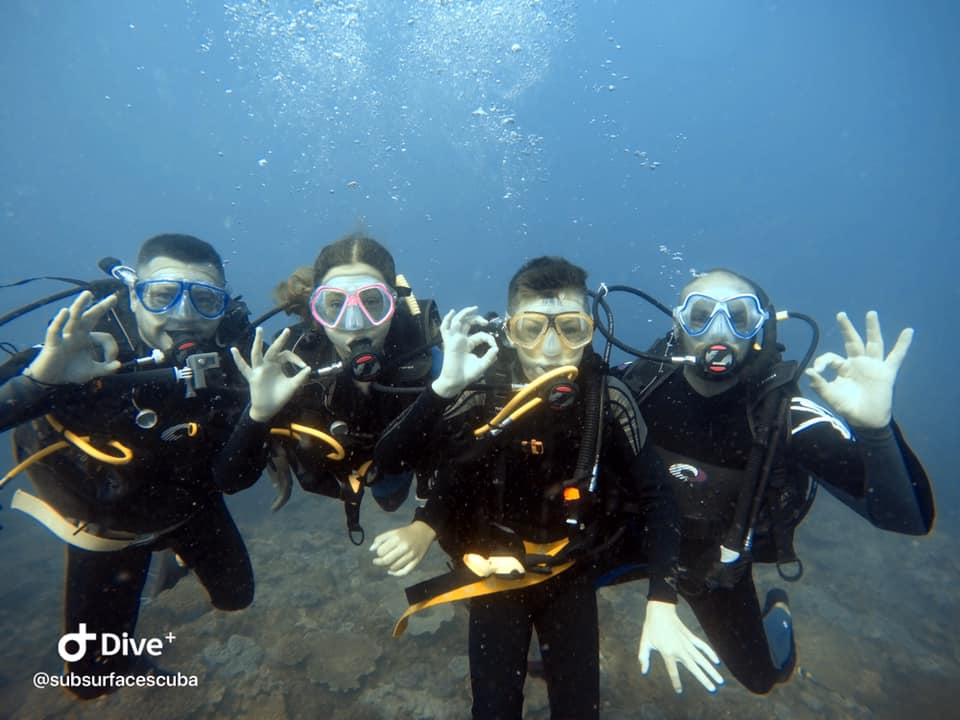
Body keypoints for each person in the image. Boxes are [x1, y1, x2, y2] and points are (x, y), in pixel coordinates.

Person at [372, 257, 723, 719]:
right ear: (510, 330)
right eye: (533, 329)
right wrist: (425, 522)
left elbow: (659, 500)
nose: (553, 349)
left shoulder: (608, 398)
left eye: (571, 329)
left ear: (591, 332)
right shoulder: (482, 389)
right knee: (493, 710)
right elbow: (394, 463)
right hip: (493, 571)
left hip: (570, 573)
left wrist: (662, 599)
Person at [0, 234, 308, 698]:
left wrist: (260, 418)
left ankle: (174, 553)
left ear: (223, 306)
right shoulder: (84, 346)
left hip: (188, 503)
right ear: (132, 295)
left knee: (235, 598)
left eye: (205, 299)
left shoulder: (235, 357)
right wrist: (39, 381)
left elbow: (232, 478)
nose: (184, 315)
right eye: (162, 295)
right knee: (90, 681)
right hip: (109, 522)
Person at [609, 268, 935, 694]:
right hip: (629, 541)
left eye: (739, 318)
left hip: (713, 570)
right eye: (700, 315)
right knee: (530, 589)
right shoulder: (636, 384)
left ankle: (776, 612)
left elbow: (906, 519)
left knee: (762, 679)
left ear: (760, 329)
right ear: (677, 324)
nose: (718, 331)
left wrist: (877, 430)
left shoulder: (785, 416)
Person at [268, 232, 441, 543]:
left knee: (389, 499)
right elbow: (233, 474)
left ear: (394, 303)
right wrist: (263, 428)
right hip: (336, 472)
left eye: (372, 302)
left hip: (399, 464)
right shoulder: (291, 360)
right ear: (316, 310)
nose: (355, 322)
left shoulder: (427, 355)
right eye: (334, 305)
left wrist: (428, 522)